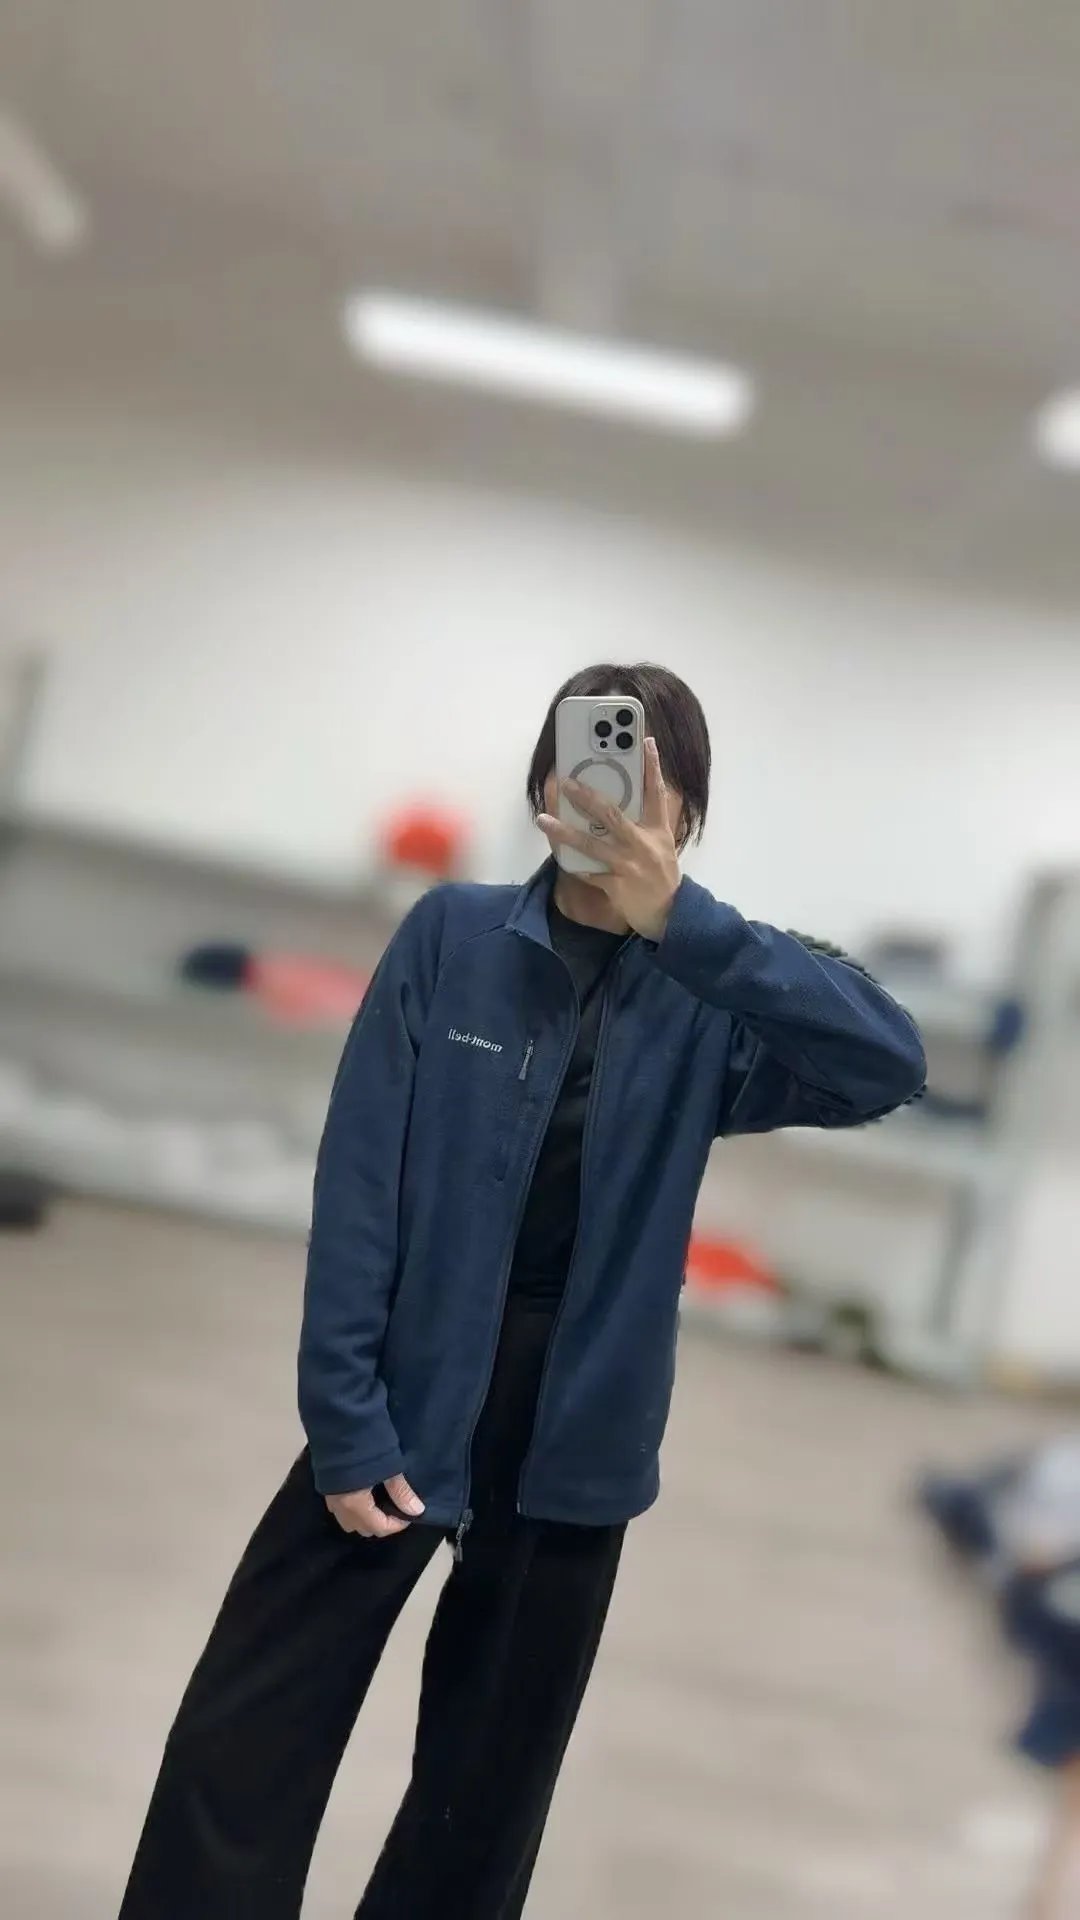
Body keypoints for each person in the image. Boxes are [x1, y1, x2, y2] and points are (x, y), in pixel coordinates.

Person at [118, 662, 926, 1919]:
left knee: (484, 1794)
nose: (603, 798)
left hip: (578, 1432)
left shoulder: (713, 991)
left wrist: (687, 922)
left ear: (687, 812)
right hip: (404, 1395)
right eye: (581, 764)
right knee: (245, 1733)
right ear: (543, 789)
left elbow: (888, 1063)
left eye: (641, 781)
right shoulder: (451, 937)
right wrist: (343, 1417)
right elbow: (359, 1183)